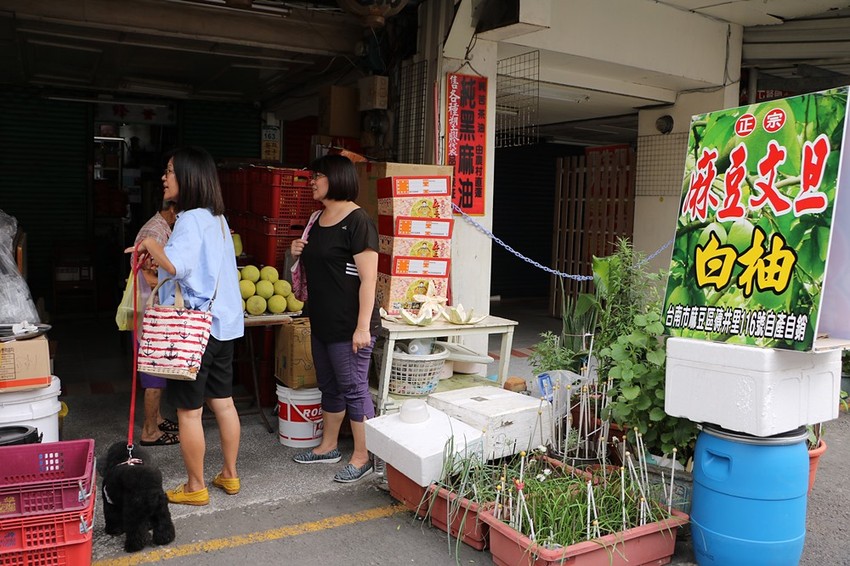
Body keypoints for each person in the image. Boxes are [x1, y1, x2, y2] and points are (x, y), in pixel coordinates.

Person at [129, 146, 244, 505]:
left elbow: (177, 266)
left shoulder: (191, 219)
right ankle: (229, 475)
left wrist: (150, 243)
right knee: (223, 403)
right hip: (223, 326)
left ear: (190, 178)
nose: (164, 178)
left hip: (194, 330)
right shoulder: (218, 219)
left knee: (189, 411)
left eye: (170, 171)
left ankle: (195, 487)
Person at [289, 154, 380, 483]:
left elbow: (368, 279)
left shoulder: (358, 221)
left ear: (337, 178)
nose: (312, 181)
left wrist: (361, 328)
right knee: (329, 386)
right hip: (322, 321)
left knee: (354, 389)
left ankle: (363, 456)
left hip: (350, 325)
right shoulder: (317, 217)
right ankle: (328, 446)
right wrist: (297, 249)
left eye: (318, 176)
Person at [133, 202, 180, 446]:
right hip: (149, 313)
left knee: (158, 370)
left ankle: (157, 419)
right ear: (172, 211)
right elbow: (142, 273)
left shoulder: (160, 229)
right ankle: (149, 431)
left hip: (149, 311)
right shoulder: (155, 233)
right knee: (154, 373)